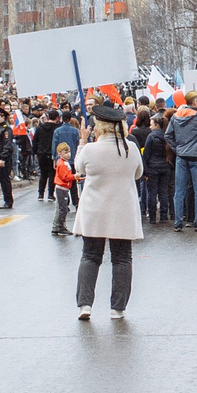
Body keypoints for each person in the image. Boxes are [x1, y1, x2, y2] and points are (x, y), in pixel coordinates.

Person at [72, 104, 142, 320]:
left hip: (95, 208)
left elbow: (79, 168)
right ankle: (117, 308)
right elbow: (138, 174)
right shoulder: (129, 148)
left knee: (90, 256)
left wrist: (82, 142)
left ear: (99, 127)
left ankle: (85, 304)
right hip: (122, 208)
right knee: (122, 258)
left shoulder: (91, 149)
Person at [167, 94, 197, 232]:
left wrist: (177, 148)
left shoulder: (176, 117)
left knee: (180, 191)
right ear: (195, 102)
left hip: (182, 156)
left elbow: (168, 135)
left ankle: (178, 221)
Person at [52, 142, 77, 238]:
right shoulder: (62, 164)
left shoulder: (63, 162)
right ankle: (61, 227)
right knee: (63, 209)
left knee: (59, 208)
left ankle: (56, 226)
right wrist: (74, 176)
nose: (68, 154)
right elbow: (65, 177)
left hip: (62, 188)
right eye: (66, 152)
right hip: (62, 187)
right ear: (60, 153)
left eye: (69, 152)